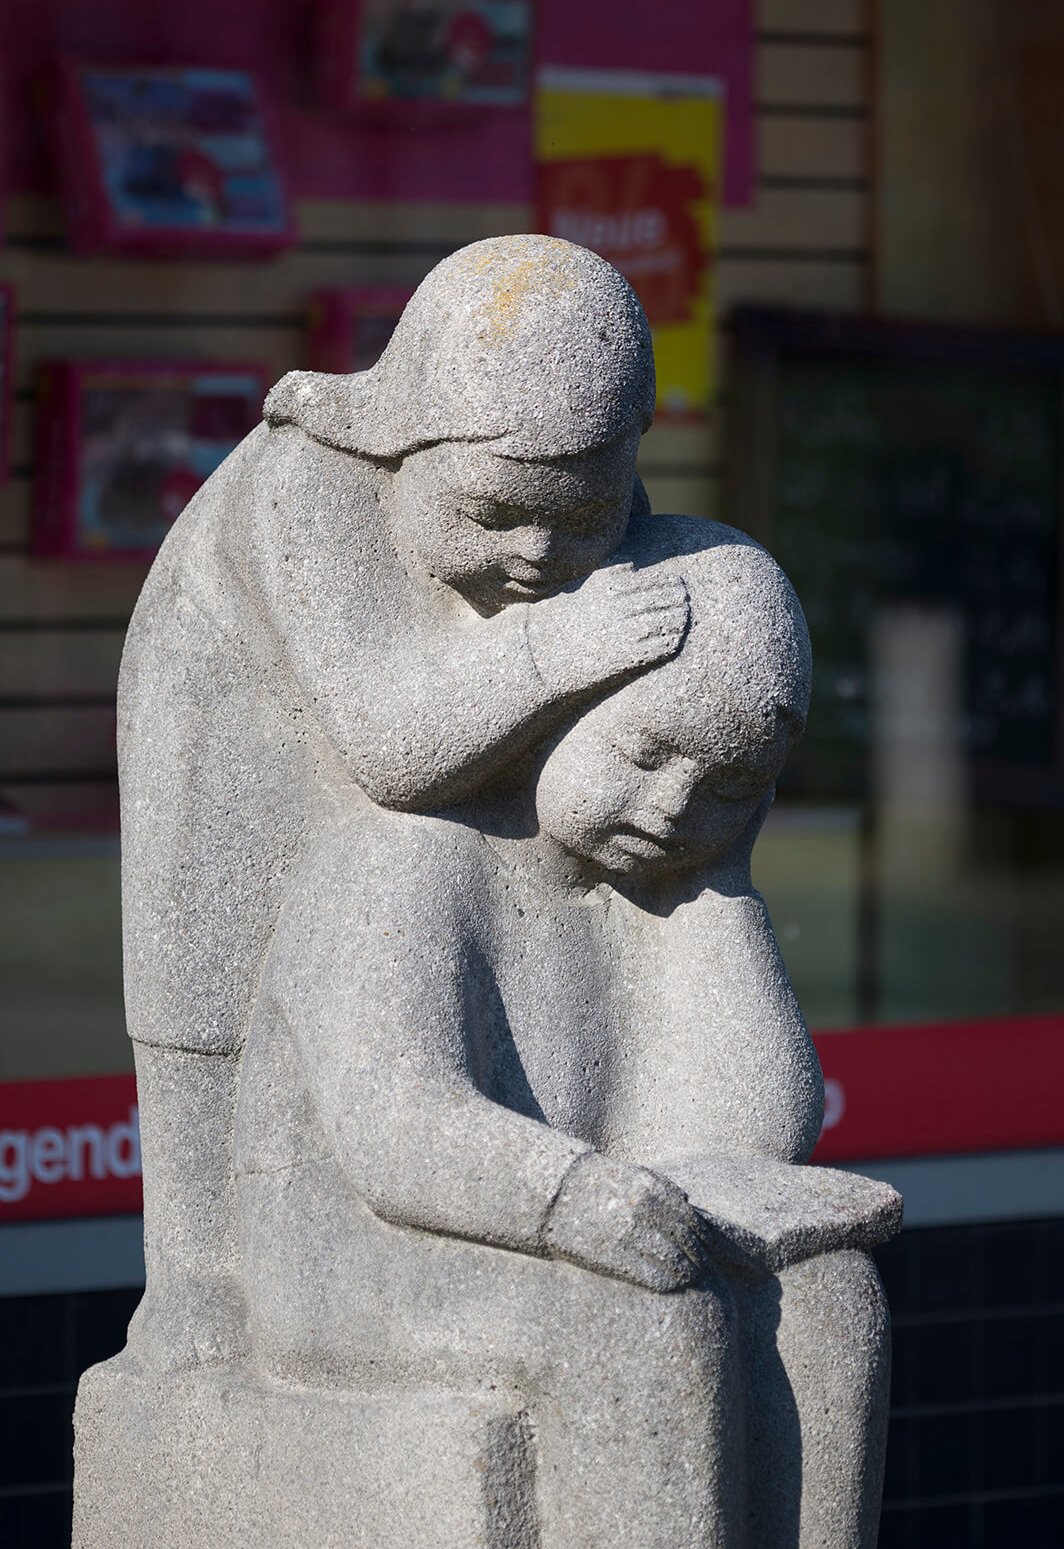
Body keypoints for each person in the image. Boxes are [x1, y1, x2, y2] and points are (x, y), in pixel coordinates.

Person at [233, 516, 891, 1549]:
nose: (675, 806)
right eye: (647, 751)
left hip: (567, 1236)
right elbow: (396, 1127)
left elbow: (755, 1126)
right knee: (642, 1320)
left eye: (727, 789)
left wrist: (723, 887)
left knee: (830, 1294)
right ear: (555, 709)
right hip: (366, 1262)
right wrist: (576, 1196)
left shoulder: (663, 897)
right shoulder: (404, 866)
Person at [118, 236, 689, 1370]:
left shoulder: (562, 501)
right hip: (234, 731)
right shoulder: (307, 486)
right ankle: (194, 1281)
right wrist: (562, 645)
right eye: (492, 515)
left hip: (452, 767)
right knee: (208, 977)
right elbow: (390, 745)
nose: (539, 551)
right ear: (411, 440)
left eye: (582, 520)